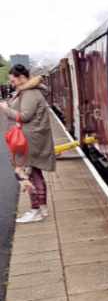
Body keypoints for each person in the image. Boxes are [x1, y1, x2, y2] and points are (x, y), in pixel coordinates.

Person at [0, 64, 55, 223]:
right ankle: (40, 210)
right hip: (32, 137)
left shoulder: (30, 93)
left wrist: (4, 108)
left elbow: (24, 116)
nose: (12, 83)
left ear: (22, 78)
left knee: (26, 173)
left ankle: (36, 210)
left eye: (13, 80)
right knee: (34, 172)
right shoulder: (28, 91)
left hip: (30, 139)